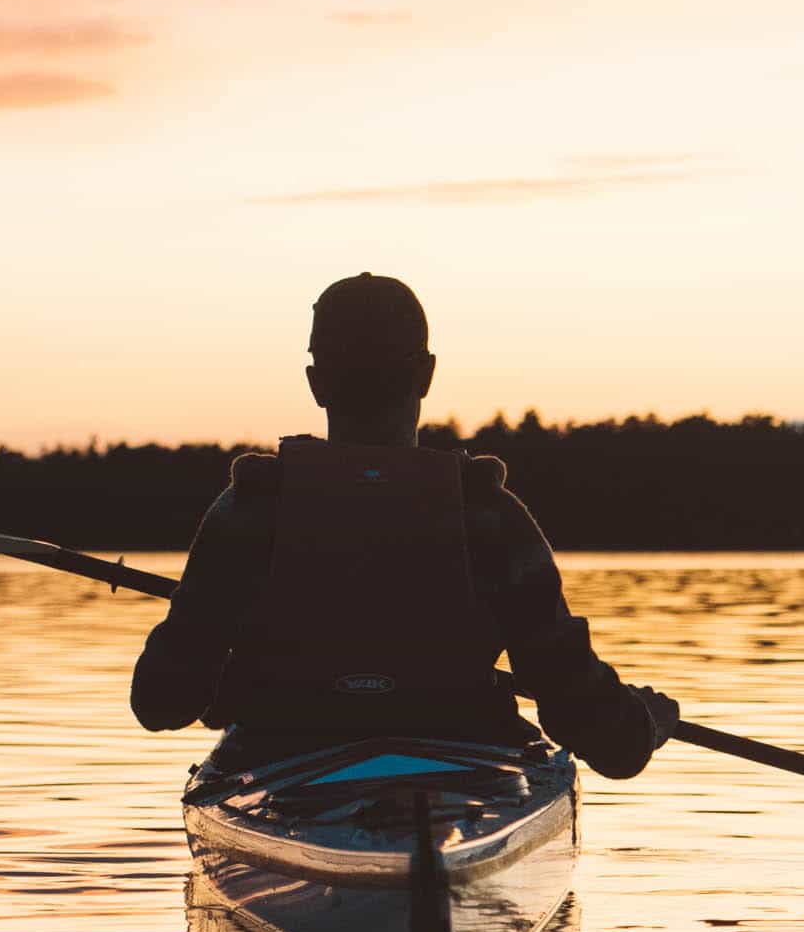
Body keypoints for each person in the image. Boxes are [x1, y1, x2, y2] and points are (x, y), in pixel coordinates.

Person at [130, 273, 677, 777]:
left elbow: (160, 703)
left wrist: (230, 678)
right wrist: (642, 725)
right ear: (425, 375)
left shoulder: (250, 510)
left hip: (282, 769)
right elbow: (604, 738)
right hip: (467, 777)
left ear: (317, 383)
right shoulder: (488, 514)